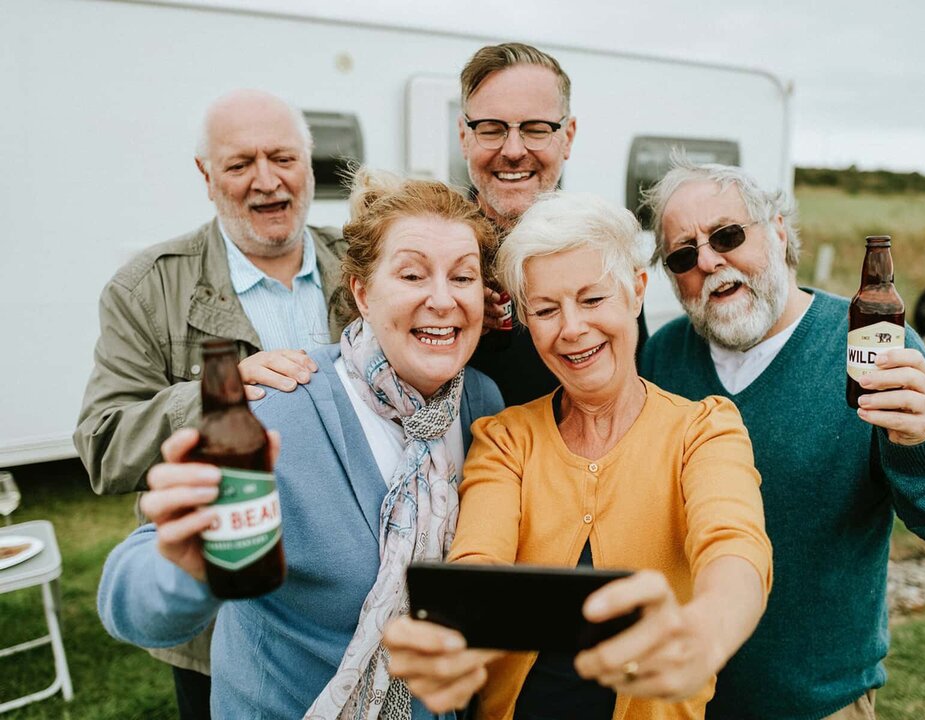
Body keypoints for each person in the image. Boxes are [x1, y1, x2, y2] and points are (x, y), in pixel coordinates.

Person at [97, 171, 504, 719]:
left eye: (463, 277)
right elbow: (132, 601)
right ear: (361, 292)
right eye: (412, 274)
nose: (442, 299)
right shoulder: (282, 408)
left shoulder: (483, 405)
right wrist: (185, 572)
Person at [638, 160, 925, 720]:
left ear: (780, 231)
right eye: (684, 255)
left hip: (816, 705)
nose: (709, 261)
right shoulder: (664, 356)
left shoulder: (869, 344)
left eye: (727, 235)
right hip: (678, 700)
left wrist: (921, 440)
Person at [384, 192, 772, 720]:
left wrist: (706, 633)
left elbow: (734, 549)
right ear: (525, 319)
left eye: (592, 300)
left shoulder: (703, 429)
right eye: (546, 310)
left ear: (636, 291)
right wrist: (457, 637)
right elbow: (479, 564)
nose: (571, 329)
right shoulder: (506, 439)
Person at [73, 88, 349, 718]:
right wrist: (213, 398)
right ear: (205, 176)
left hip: (345, 602)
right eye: (238, 164)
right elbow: (103, 444)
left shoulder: (361, 265)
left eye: (283, 158)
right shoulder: (146, 288)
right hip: (221, 615)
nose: (266, 181)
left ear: (309, 164)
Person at [458, 42, 647, 406]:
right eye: (492, 128)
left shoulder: (601, 249)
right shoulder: (429, 253)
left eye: (535, 129)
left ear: (568, 136)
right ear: (465, 136)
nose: (513, 150)